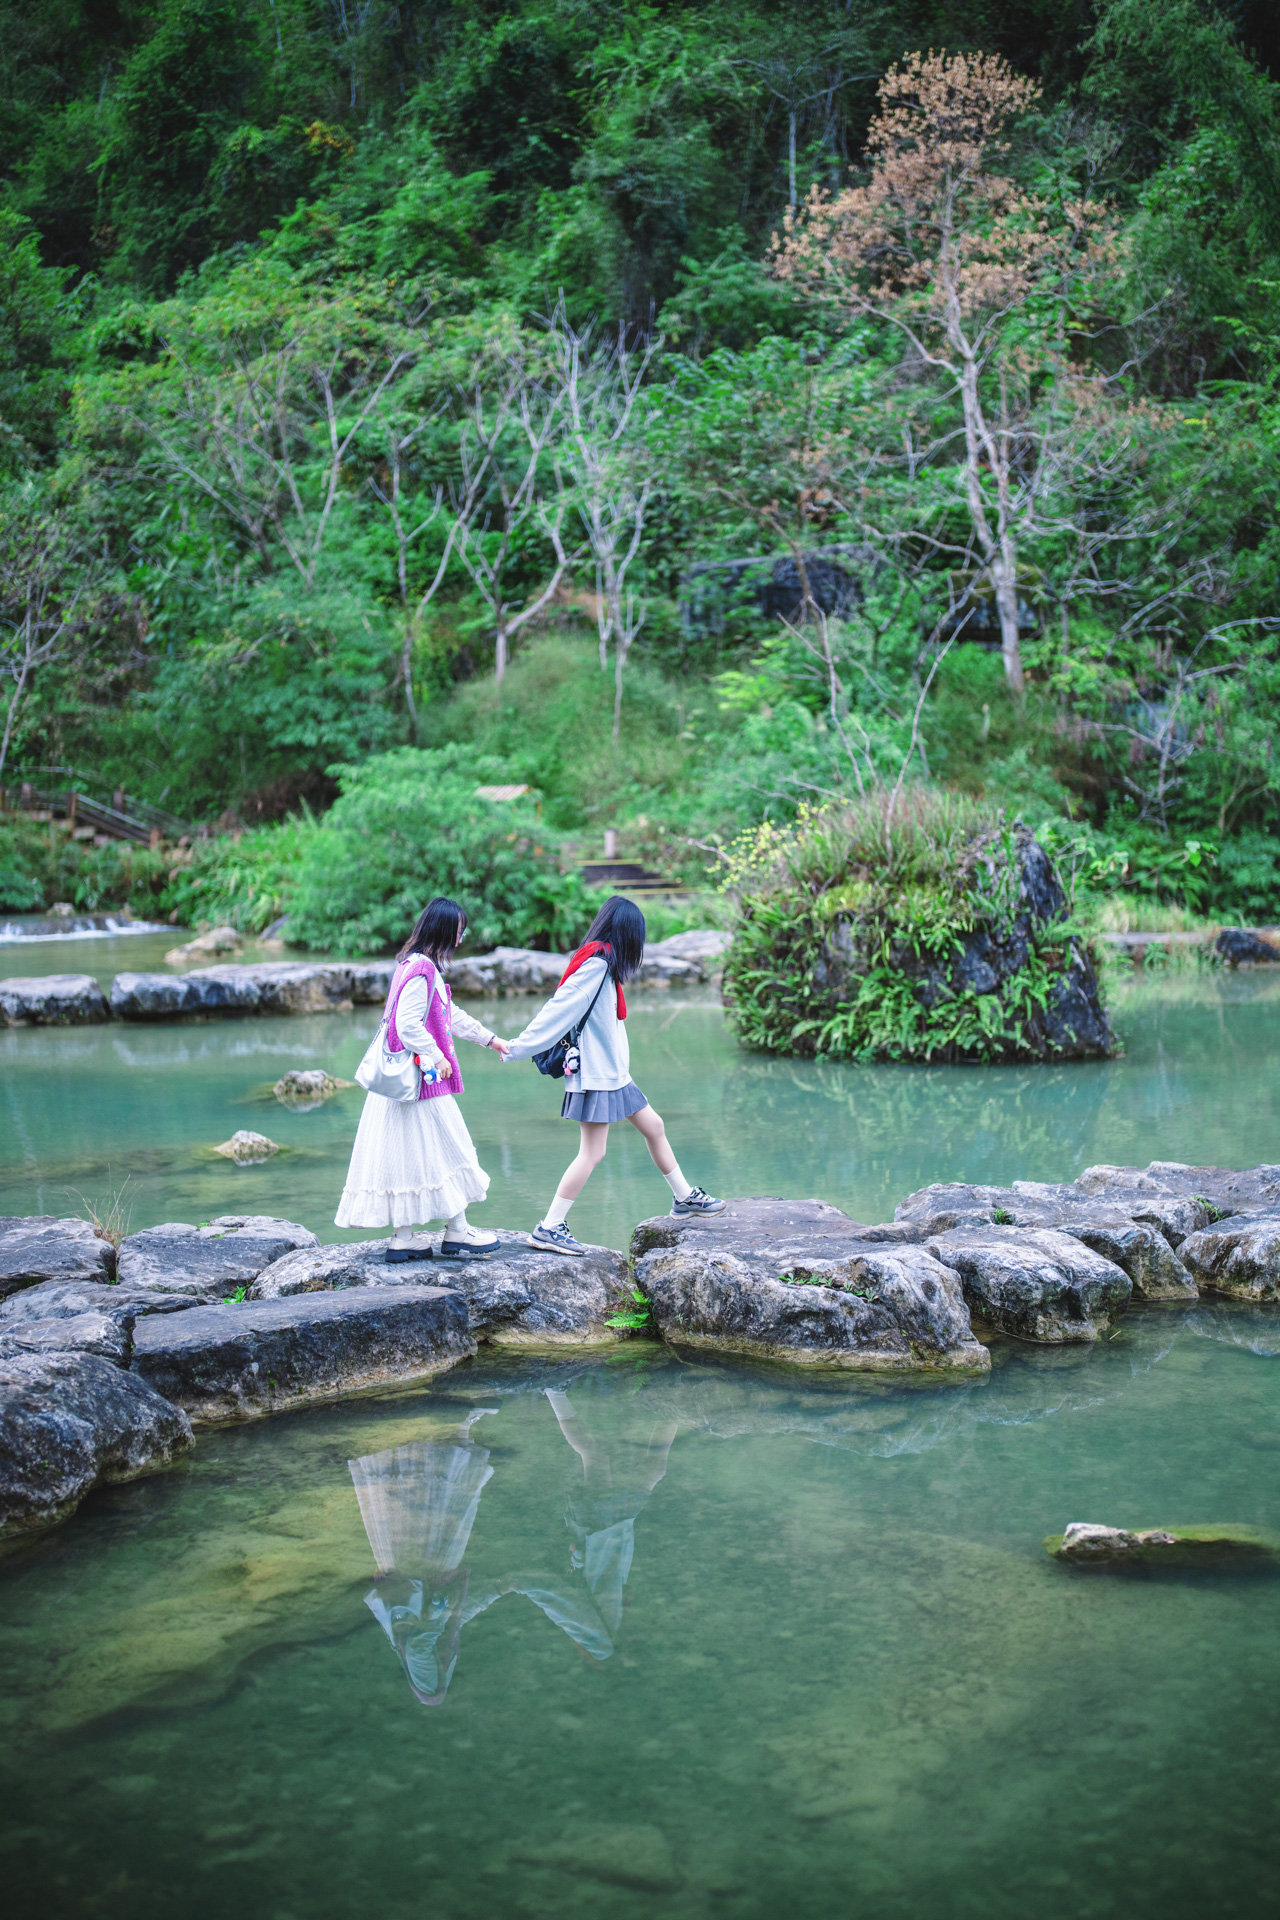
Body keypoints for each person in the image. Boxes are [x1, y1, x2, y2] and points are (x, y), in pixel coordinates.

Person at [501, 895, 725, 1255]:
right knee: (592, 1153)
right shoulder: (596, 964)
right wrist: (517, 1047)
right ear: (626, 934)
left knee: (654, 1127)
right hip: (597, 1077)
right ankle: (550, 1226)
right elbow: (559, 1008)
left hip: (615, 1075)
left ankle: (684, 1198)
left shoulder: (604, 965)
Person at [336, 895, 509, 1258]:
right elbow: (407, 1024)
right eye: (458, 931)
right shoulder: (423, 970)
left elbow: (448, 1013)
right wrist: (437, 1055)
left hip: (401, 1086)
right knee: (448, 1148)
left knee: (408, 1158)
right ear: (444, 931)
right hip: (420, 1082)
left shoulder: (411, 964)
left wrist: (489, 1039)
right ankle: (457, 1231)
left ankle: (404, 1238)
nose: (460, 938)